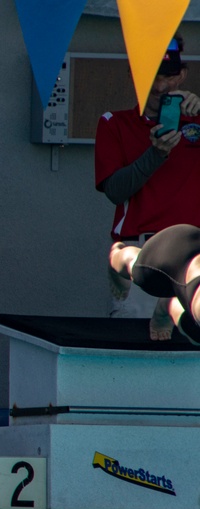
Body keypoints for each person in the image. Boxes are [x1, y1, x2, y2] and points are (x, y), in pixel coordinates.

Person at [96, 35, 200, 339]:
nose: (160, 87)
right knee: (134, 360)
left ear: (182, 75)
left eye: (169, 76)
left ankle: (169, 308)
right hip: (141, 251)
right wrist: (156, 154)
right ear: (134, 74)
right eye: (153, 76)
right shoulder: (114, 123)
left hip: (194, 253)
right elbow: (114, 191)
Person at [109, 225, 200, 344]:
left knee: (195, 335)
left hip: (188, 252)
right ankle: (115, 253)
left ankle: (168, 305)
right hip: (172, 252)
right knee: (133, 265)